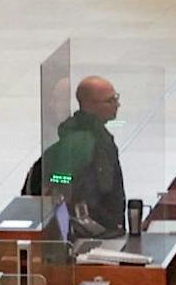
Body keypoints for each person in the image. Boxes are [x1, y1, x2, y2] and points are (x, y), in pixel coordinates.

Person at [36, 75, 126, 237]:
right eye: (110, 100)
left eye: (116, 98)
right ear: (90, 105)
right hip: (91, 231)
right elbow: (60, 180)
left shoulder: (96, 136)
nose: (117, 105)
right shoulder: (82, 141)